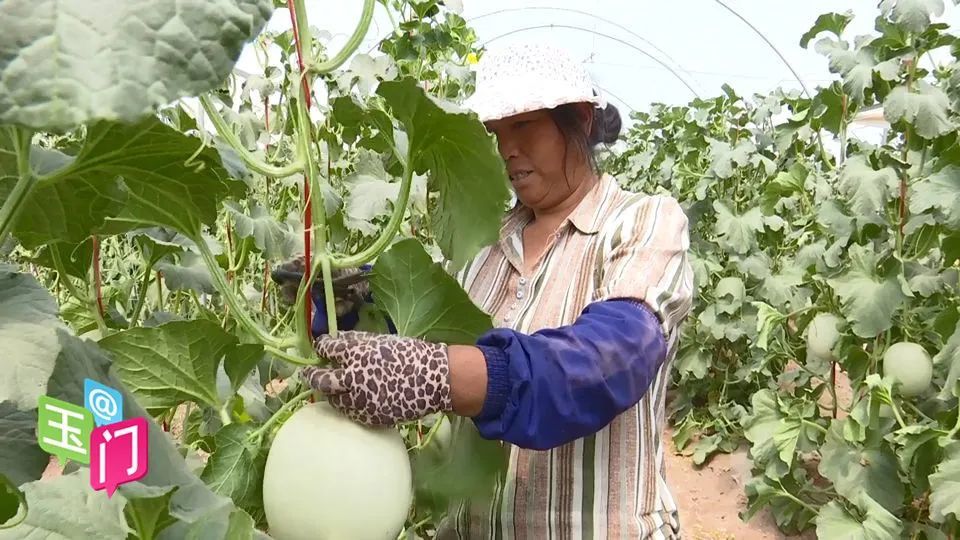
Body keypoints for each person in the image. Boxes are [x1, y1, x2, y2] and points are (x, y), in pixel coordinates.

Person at [273, 42, 695, 539]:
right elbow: (424, 340)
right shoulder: (486, 249)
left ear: (580, 119)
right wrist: (348, 307)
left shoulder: (643, 222)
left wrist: (439, 376)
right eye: (497, 133)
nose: (507, 148)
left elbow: (610, 360)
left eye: (523, 126)